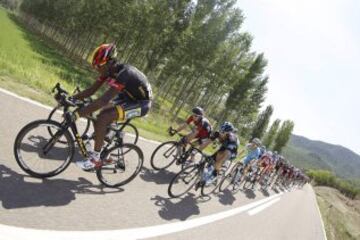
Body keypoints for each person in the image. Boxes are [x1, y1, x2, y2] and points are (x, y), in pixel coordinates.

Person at [67, 43, 152, 170]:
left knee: (104, 117)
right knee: (100, 114)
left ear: (109, 63)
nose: (97, 69)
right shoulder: (108, 71)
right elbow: (91, 90)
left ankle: (96, 159)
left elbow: (104, 100)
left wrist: (78, 114)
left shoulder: (125, 73)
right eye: (95, 66)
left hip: (142, 104)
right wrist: (71, 98)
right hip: (128, 97)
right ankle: (105, 142)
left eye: (99, 66)